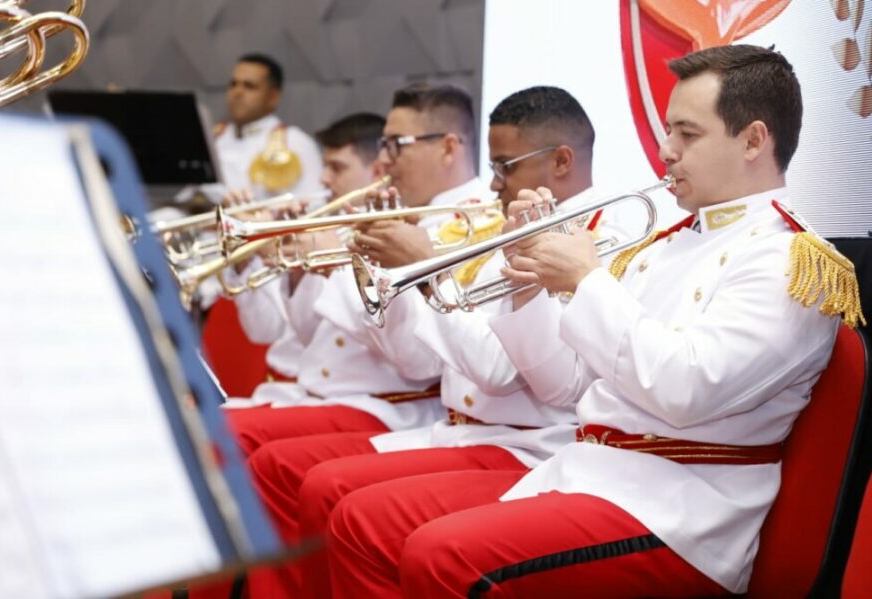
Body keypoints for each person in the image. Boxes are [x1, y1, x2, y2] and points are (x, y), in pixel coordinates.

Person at [325, 44, 862, 597]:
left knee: (443, 556)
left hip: (679, 512)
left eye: (687, 134)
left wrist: (587, 282)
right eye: (667, 131)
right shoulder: (658, 247)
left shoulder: (791, 260)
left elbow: (685, 390)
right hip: (590, 475)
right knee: (372, 524)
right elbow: (565, 385)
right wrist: (528, 286)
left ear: (753, 139)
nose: (666, 151)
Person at [243, 86, 609, 599]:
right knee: (327, 490)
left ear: (561, 161)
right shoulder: (488, 223)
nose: (495, 185)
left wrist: (422, 275)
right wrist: (353, 267)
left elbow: (496, 372)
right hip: (465, 428)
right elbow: (406, 351)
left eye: (505, 167)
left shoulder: (598, 234)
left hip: (525, 442)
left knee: (339, 497)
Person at [224, 83, 486, 458]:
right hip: (330, 395)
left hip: (389, 406)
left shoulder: (471, 222)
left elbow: (416, 362)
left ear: (447, 147)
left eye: (397, 144)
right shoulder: (400, 209)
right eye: (384, 144)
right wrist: (302, 270)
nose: (386, 159)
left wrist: (337, 267)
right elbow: (307, 333)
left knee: (225, 439)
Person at [222, 112, 388, 394]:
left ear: (377, 173)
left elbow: (321, 334)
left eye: (337, 168)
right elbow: (263, 329)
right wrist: (244, 257)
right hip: (279, 387)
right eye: (324, 166)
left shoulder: (382, 238)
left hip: (325, 394)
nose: (323, 178)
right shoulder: (314, 226)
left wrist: (316, 266)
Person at [199, 53, 323, 203]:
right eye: (233, 84)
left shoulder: (295, 143)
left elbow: (314, 204)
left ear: (273, 97)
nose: (237, 92)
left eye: (249, 86)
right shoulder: (210, 138)